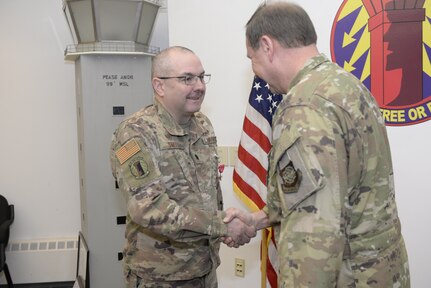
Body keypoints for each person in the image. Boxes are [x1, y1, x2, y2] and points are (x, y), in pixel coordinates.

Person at [224, 2, 410, 287]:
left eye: (252, 58)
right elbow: (330, 189)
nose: (255, 69)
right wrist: (258, 220)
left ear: (267, 45)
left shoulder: (303, 106)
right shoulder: (346, 85)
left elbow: (313, 235)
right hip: (382, 270)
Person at [110, 46, 255, 288]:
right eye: (187, 78)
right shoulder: (135, 133)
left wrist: (221, 228)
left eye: (201, 76)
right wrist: (222, 226)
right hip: (160, 277)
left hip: (205, 269)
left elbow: (209, 195)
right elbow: (149, 208)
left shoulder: (203, 126)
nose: (199, 86)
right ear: (159, 86)